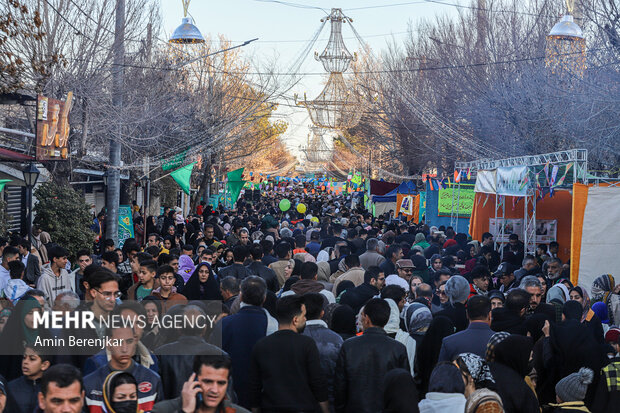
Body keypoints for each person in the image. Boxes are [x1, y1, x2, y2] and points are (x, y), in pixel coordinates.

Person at [249, 295, 329, 413]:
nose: (305, 319)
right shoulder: (307, 344)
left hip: (270, 408)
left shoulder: (261, 345)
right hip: (303, 408)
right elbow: (318, 382)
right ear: (295, 320)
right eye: (304, 315)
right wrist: (326, 409)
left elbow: (254, 386)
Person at [209, 276, 277, 409]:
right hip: (262, 395)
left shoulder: (224, 323)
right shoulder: (273, 325)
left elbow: (212, 358)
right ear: (264, 298)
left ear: (241, 297)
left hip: (229, 393)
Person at [334, 298, 409, 413]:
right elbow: (403, 388)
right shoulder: (398, 348)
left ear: (366, 318)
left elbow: (340, 387)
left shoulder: (349, 346)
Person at [83, 326, 163, 412]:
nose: (124, 349)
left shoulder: (153, 379)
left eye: (129, 341)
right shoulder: (89, 383)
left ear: (135, 342)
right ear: (108, 344)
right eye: (118, 342)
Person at [155, 305, 226, 400]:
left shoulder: (161, 353)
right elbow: (227, 396)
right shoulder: (220, 355)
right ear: (204, 329)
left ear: (179, 329)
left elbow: (157, 393)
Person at [152, 355, 250, 413]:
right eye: (208, 381)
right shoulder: (162, 410)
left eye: (221, 383)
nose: (214, 390)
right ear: (194, 379)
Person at [302, 292, 343, 408]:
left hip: (300, 402)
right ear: (322, 313)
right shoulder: (336, 339)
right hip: (330, 401)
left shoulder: (295, 337)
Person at [489, 335, 539, 413]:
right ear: (518, 356)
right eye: (529, 356)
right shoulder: (519, 388)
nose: (531, 360)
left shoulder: (486, 374)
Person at [438, 295, 495, 362]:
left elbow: (443, 371)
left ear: (467, 314)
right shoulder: (501, 341)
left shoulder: (449, 342)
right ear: (490, 314)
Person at [8, 345, 51, 413]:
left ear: (44, 365)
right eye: (24, 357)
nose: (25, 362)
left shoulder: (50, 387)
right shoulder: (11, 387)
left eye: (32, 359)